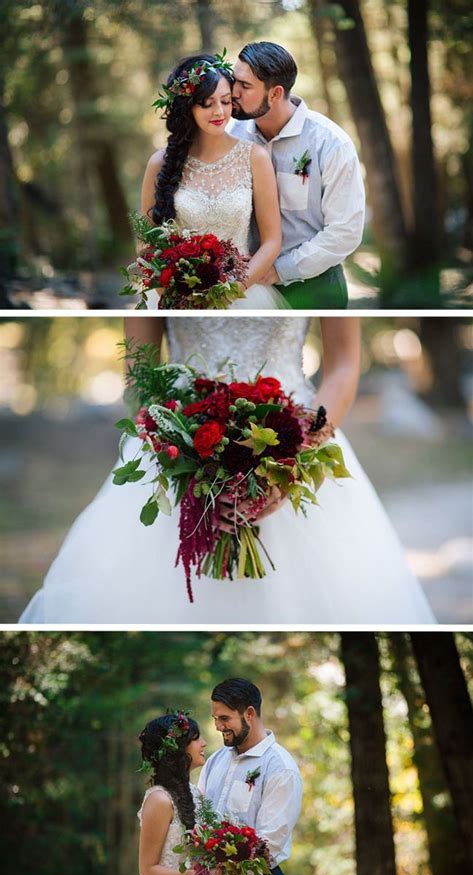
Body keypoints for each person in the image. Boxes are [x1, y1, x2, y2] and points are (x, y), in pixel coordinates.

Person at [20, 316, 435, 624]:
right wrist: (185, 456)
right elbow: (139, 377)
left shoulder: (316, 237)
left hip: (297, 433)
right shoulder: (162, 255)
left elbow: (344, 364)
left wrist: (296, 454)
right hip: (179, 444)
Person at [140, 52, 288, 309]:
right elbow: (146, 243)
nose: (219, 112)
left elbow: (272, 241)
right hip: (177, 297)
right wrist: (176, 293)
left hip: (242, 294)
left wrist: (227, 292)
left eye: (226, 101)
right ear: (188, 106)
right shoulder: (159, 163)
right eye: (207, 103)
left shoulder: (255, 157)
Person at [231, 41, 365, 308]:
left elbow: (345, 230)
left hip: (314, 287)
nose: (233, 92)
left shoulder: (330, 143)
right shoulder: (230, 136)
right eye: (235, 81)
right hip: (243, 290)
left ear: (275, 94)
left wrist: (279, 270)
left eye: (245, 86)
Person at [98, 712, 224, 875]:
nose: (203, 743)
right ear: (178, 748)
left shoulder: (195, 793)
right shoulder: (160, 799)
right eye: (195, 738)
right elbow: (147, 871)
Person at [198, 678, 302, 875]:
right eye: (215, 718)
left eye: (224, 718)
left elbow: (272, 841)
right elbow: (200, 814)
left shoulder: (279, 767)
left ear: (250, 714)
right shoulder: (215, 761)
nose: (218, 726)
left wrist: (227, 871)